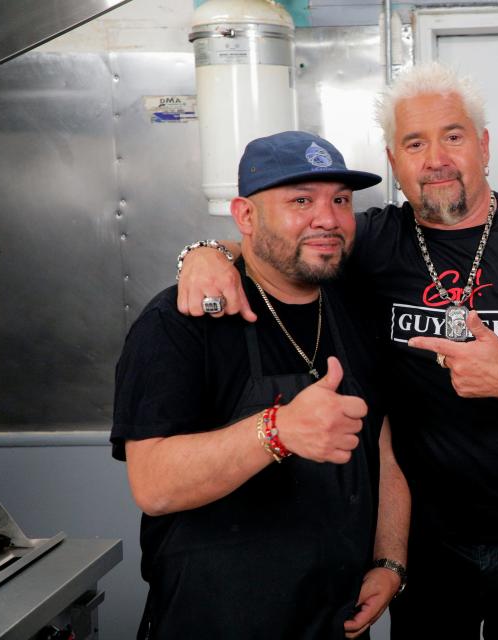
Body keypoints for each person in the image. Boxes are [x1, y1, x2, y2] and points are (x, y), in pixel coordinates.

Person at [174, 63, 498, 639]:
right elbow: (280, 241)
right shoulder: (368, 240)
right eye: (414, 143)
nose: (435, 157)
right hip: (421, 543)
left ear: (484, 146)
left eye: (453, 136)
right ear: (394, 162)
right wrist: (204, 251)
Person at [111, 131, 410, 639]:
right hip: (213, 622)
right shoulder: (180, 322)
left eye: (340, 199)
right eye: (300, 200)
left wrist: (390, 561)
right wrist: (276, 430)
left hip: (331, 620)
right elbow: (153, 484)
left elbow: (379, 444)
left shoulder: (354, 310)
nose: (327, 218)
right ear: (246, 216)